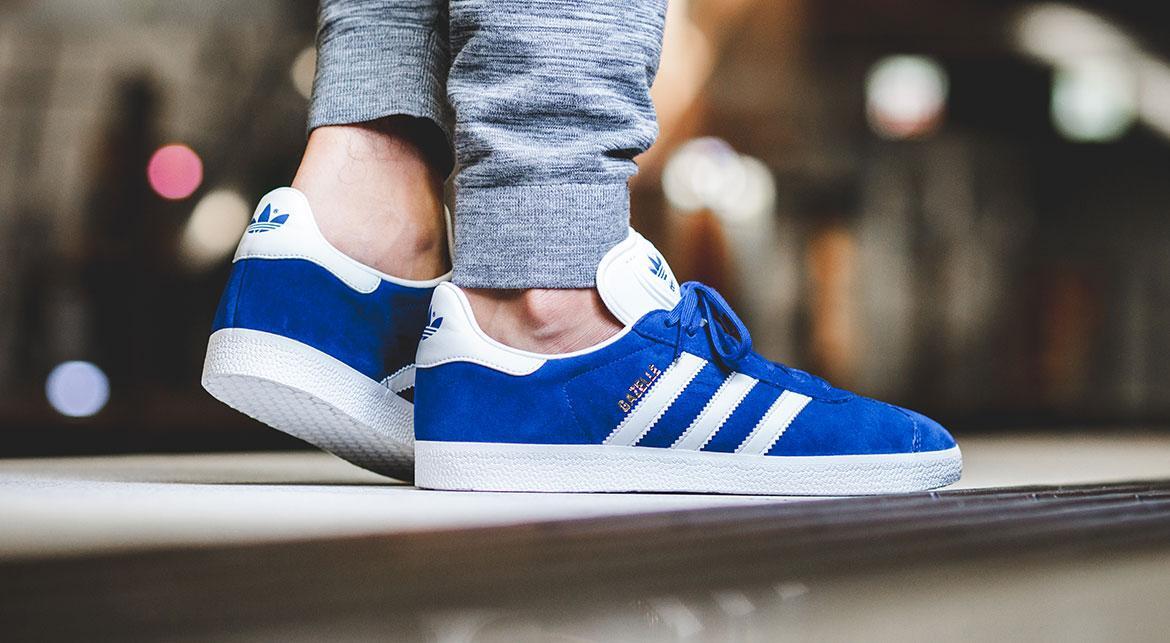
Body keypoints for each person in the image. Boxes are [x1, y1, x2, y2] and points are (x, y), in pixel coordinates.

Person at [202, 0, 960, 494]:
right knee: (550, 263)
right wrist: (547, 215)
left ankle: (358, 211)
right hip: (549, 299)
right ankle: (553, 302)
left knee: (376, 165)